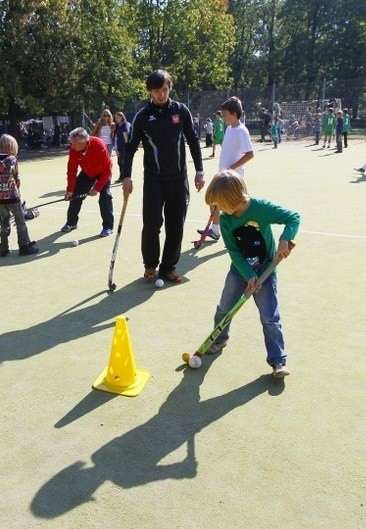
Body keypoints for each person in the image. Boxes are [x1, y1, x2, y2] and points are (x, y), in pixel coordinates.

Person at [202, 169, 300, 378]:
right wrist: (248, 275)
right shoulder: (227, 220)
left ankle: (278, 361)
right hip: (239, 272)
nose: (217, 209)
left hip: (266, 271)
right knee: (224, 309)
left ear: (232, 199)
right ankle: (219, 340)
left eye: (219, 204)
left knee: (269, 317)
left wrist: (285, 238)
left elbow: (293, 217)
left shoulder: (261, 208)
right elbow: (234, 251)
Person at [122, 69, 204, 283]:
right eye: (157, 91)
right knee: (152, 223)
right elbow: (130, 148)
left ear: (170, 88)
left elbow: (193, 140)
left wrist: (199, 170)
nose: (161, 94)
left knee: (176, 224)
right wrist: (126, 176)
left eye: (165, 90)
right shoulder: (142, 116)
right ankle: (150, 265)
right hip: (154, 180)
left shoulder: (181, 111)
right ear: (150, 91)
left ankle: (168, 267)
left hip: (178, 178)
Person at [199, 97, 254, 241]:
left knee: (236, 207)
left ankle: (244, 233)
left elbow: (250, 154)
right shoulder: (230, 129)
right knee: (213, 200)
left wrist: (231, 168)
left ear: (235, 114)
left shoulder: (241, 131)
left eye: (225, 114)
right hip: (223, 174)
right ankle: (215, 231)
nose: (223, 117)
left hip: (233, 177)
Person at [0, 134, 39, 257]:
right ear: (12, 147)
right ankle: (24, 246)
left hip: (0, 198)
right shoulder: (12, 160)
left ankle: (3, 248)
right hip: (13, 197)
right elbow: (17, 180)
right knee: (20, 221)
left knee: (4, 223)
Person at [62, 127, 114, 237]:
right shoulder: (73, 151)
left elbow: (107, 170)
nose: (72, 146)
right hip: (87, 173)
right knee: (75, 196)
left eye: (74, 144)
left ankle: (108, 227)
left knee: (105, 197)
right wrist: (70, 190)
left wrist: (97, 188)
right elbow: (71, 171)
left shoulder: (98, 145)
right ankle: (71, 223)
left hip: (103, 173)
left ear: (83, 142)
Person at [113, 111, 131, 182]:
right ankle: (121, 177)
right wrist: (116, 149)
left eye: (118, 117)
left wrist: (127, 147)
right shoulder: (117, 126)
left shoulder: (125, 125)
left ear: (122, 117)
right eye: (115, 117)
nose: (116, 119)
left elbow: (126, 136)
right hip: (119, 147)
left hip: (125, 147)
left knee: (124, 163)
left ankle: (125, 178)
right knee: (120, 162)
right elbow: (116, 138)